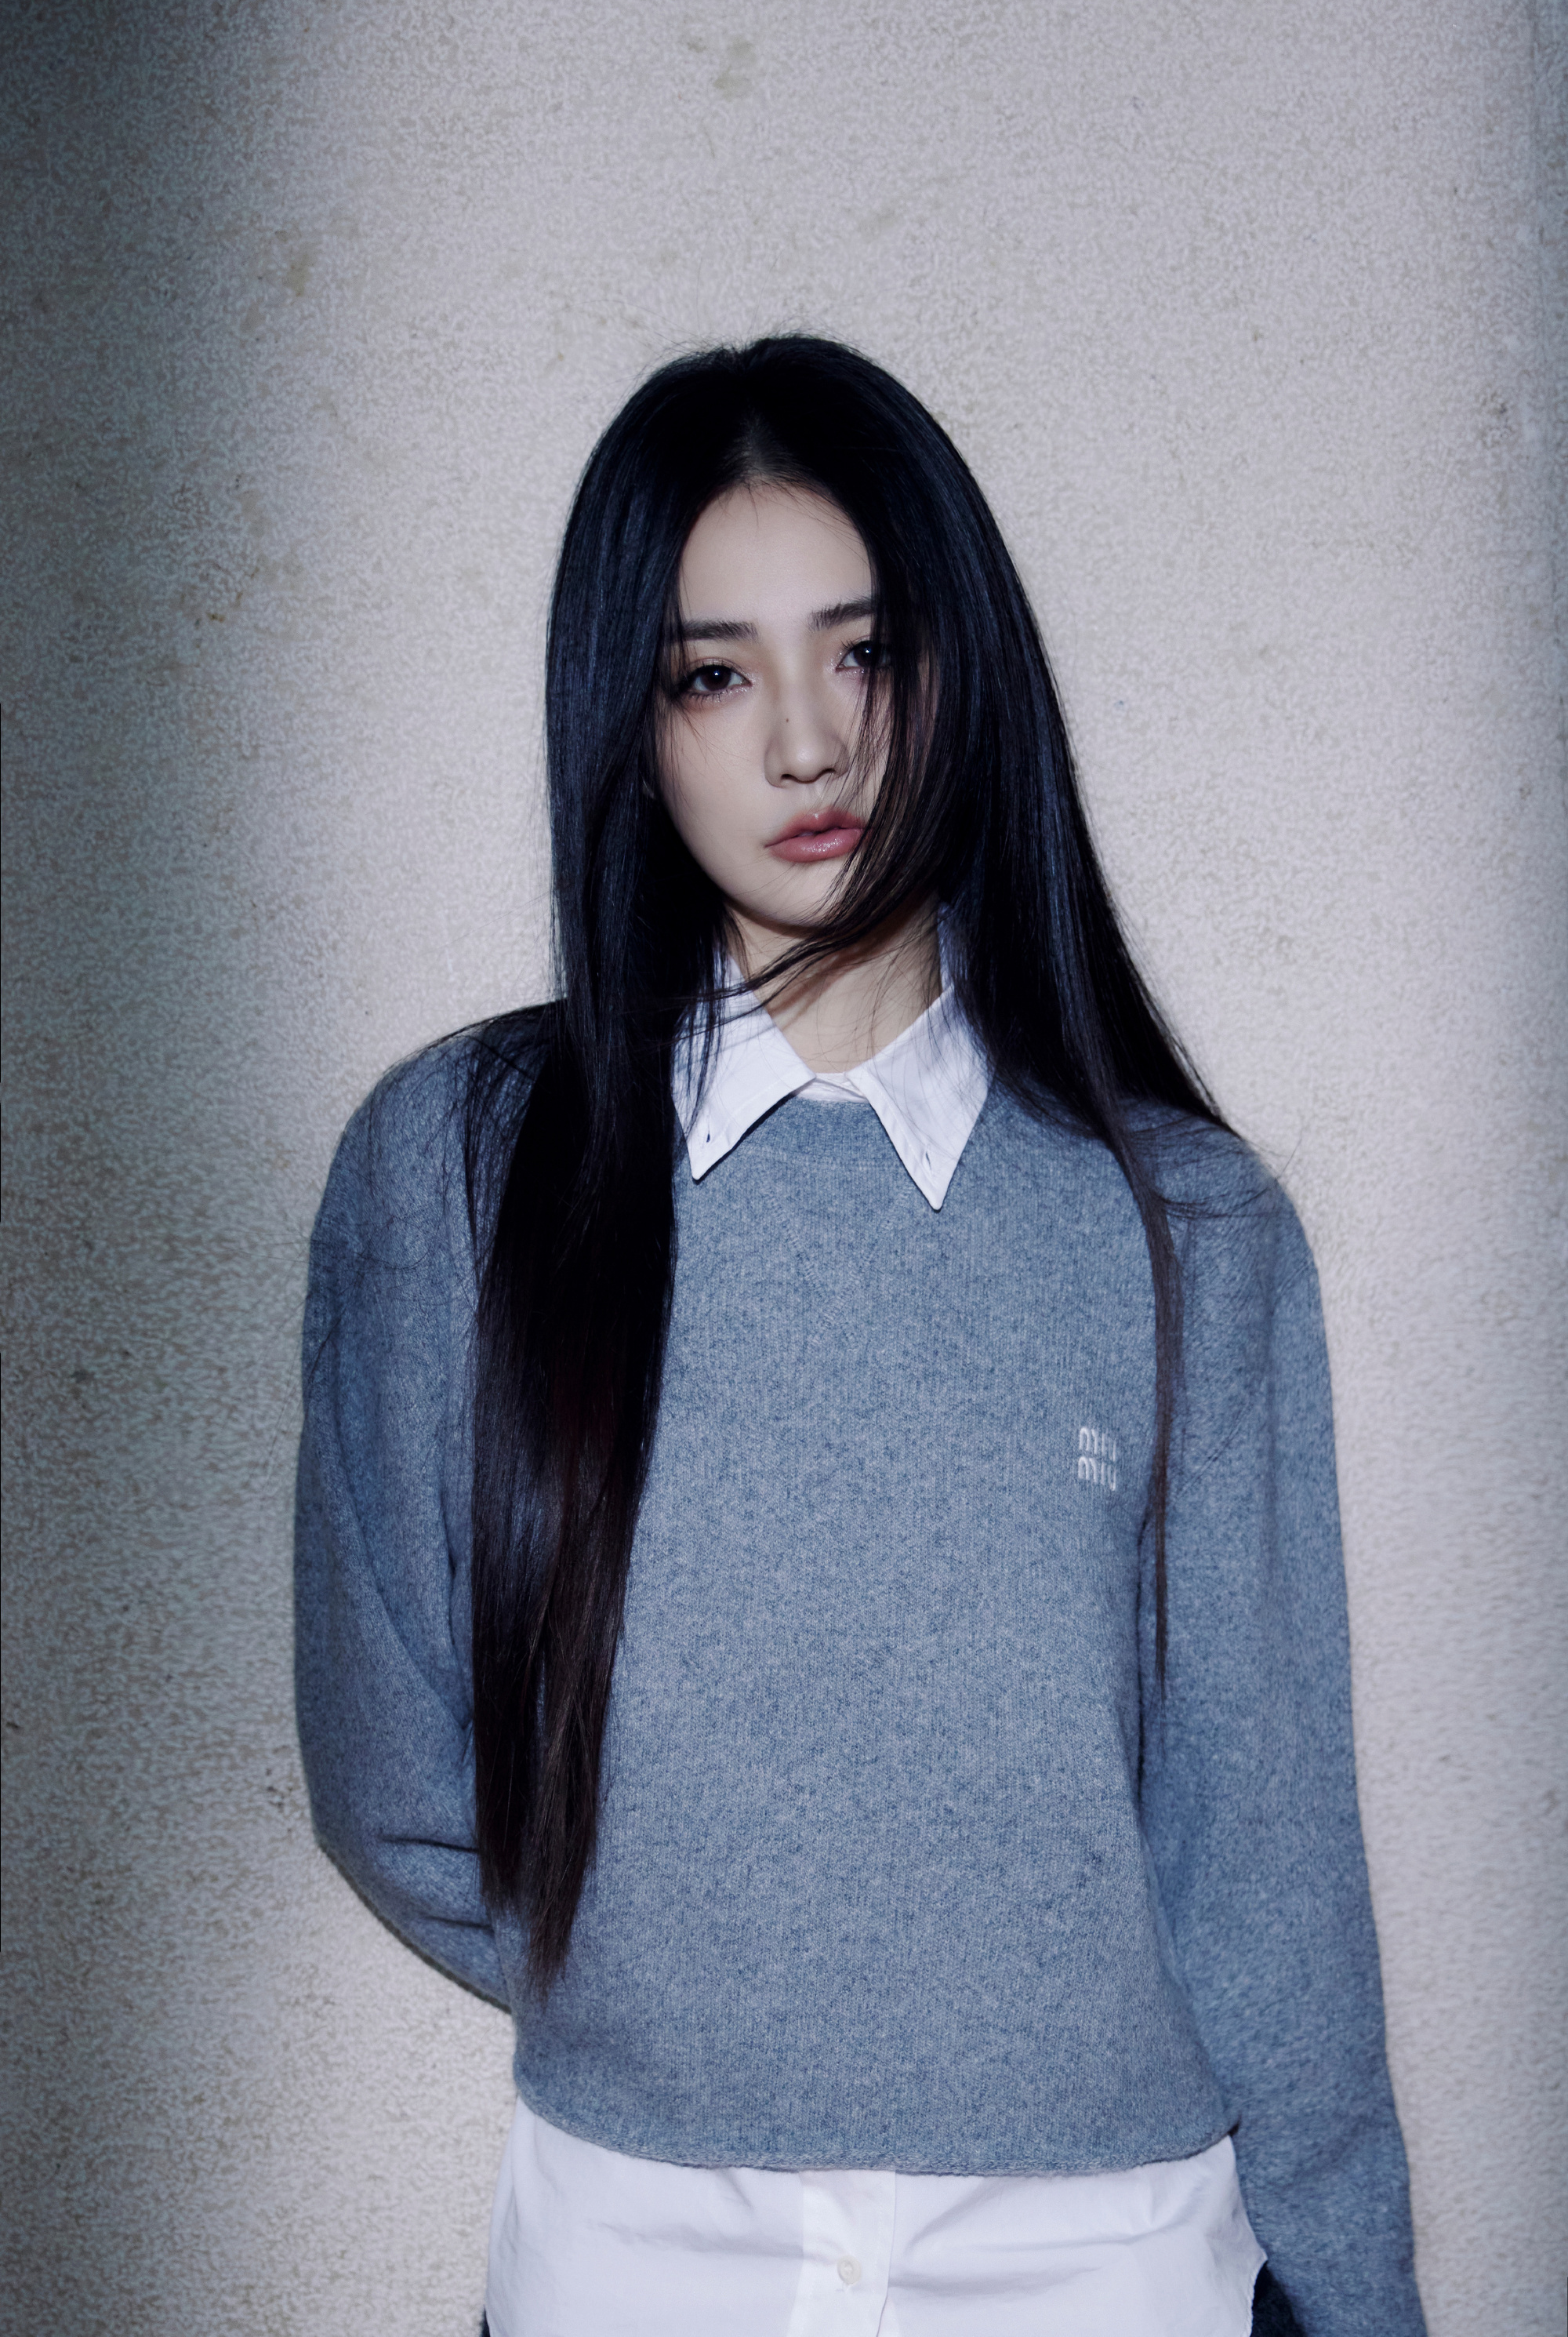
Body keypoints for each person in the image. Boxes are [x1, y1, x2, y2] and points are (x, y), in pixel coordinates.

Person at [295, 336, 1425, 2337]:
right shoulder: (455, 1168)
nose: (807, 745)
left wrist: (1359, 2301)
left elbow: (1266, 1869)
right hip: (634, 2251)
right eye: (712, 676)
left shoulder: (1185, 1229)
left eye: (865, 653)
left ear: (958, 672)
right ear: (631, 724)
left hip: (1099, 2262)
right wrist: (682, 2005)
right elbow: (391, 1765)